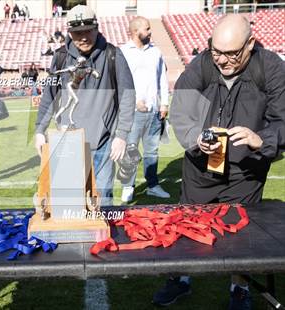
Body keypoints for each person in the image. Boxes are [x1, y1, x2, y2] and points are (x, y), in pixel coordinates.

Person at [153, 14, 285, 309]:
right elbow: (181, 111)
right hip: (202, 165)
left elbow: (283, 120)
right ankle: (180, 278)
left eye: (231, 54)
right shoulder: (203, 63)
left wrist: (262, 138)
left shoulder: (272, 68)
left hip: (247, 168)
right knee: (187, 222)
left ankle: (239, 287)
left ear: (250, 44)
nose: (222, 60)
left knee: (240, 230)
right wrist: (194, 138)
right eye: (216, 51)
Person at [35, 5, 135, 205]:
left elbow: (127, 96)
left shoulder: (113, 55)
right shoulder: (60, 57)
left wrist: (121, 135)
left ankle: (102, 237)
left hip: (102, 142)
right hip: (67, 141)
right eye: (77, 32)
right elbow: (50, 95)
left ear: (97, 28)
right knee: (69, 203)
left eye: (88, 30)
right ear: (69, 33)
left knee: (103, 201)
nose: (83, 37)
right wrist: (40, 129)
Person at [119, 16, 170, 203]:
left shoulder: (156, 52)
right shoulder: (122, 52)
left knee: (152, 151)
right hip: (132, 112)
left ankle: (153, 186)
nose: (150, 32)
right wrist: (133, 102)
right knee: (130, 151)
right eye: (147, 29)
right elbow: (119, 84)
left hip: (155, 112)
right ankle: (128, 187)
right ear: (135, 31)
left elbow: (162, 79)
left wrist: (164, 103)